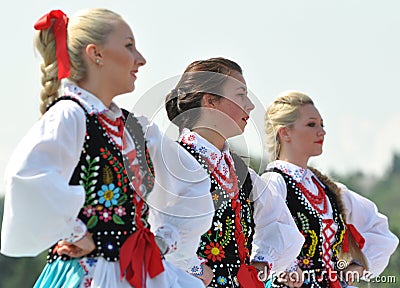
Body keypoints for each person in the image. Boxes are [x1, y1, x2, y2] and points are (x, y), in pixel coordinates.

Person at [0, 8, 213, 287]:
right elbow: (29, 178)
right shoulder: (71, 115)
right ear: (95, 53)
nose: (141, 59)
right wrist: (75, 232)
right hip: (89, 273)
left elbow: (193, 182)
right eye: (128, 46)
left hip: (138, 271)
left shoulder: (137, 128)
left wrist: (164, 240)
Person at [158, 57, 305, 288]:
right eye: (240, 95)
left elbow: (281, 226)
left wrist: (261, 268)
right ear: (211, 101)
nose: (250, 104)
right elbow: (151, 227)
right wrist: (194, 268)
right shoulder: (174, 161)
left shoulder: (241, 173)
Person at [261, 90, 399, 287]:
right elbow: (260, 236)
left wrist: (358, 267)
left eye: (322, 125)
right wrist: (287, 268)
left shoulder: (330, 190)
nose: (322, 131)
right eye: (311, 124)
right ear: (285, 133)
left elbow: (379, 230)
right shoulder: (273, 183)